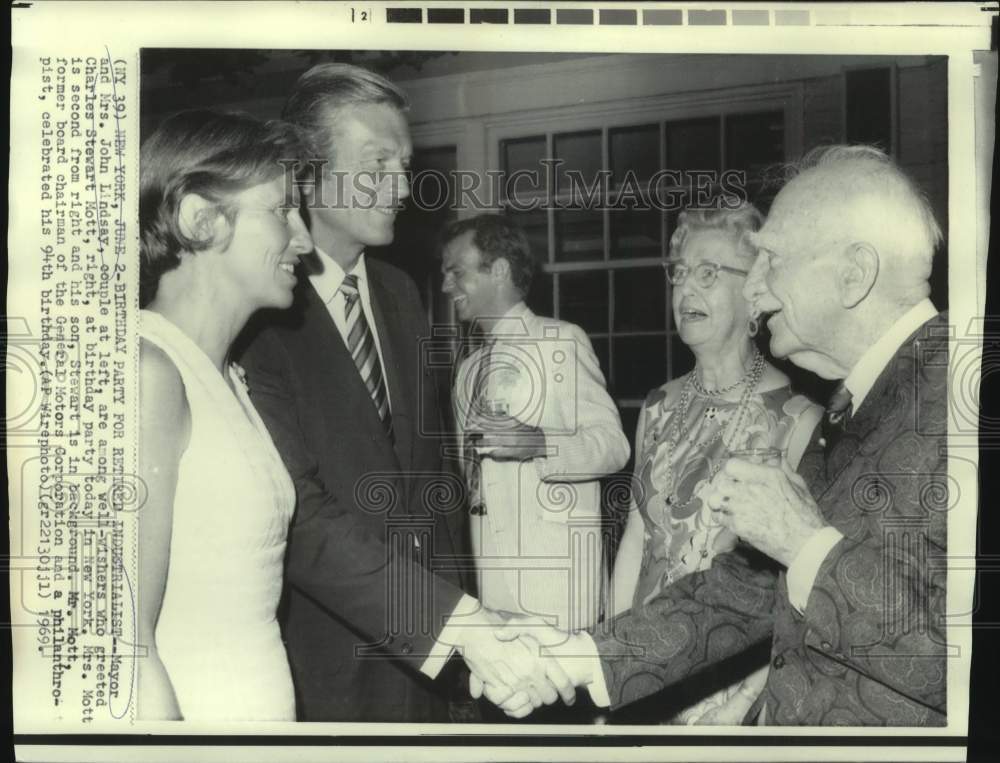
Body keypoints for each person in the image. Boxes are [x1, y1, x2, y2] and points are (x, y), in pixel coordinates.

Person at [488, 144, 949, 726]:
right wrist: (583, 657)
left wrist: (805, 544)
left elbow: (955, 652)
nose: (754, 291)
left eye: (772, 262)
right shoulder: (855, 407)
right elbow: (747, 592)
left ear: (853, 274)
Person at [235, 64, 571, 722]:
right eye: (377, 162)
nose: (401, 185)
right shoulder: (259, 311)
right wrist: (456, 624)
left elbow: (434, 475)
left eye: (405, 162)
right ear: (306, 173)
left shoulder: (398, 292)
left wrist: (464, 655)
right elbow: (300, 516)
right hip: (331, 676)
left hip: (436, 671)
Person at [609, 203, 822, 724]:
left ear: (754, 294)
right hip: (642, 672)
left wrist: (745, 703)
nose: (685, 290)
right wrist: (609, 663)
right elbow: (637, 540)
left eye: (708, 274)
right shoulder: (657, 405)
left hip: (727, 688)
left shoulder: (798, 421)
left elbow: (799, 587)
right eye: (679, 274)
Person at [136, 110, 313, 720]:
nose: (305, 239)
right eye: (281, 210)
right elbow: (122, 653)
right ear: (199, 218)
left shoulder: (230, 376)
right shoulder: (146, 372)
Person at [442, 214, 629, 637]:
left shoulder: (561, 341)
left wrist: (539, 441)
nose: (445, 286)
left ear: (501, 271)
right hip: (485, 586)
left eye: (456, 272)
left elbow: (613, 446)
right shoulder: (468, 369)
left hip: (554, 589)